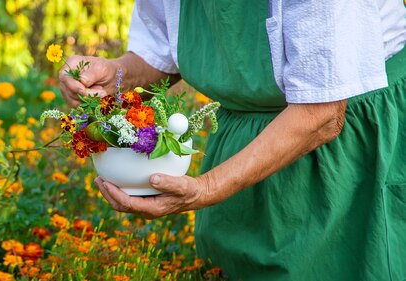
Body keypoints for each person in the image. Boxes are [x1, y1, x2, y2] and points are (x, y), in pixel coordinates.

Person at [58, 0, 406, 280]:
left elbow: (321, 114)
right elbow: (162, 51)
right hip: (242, 141)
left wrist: (206, 189)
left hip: (347, 142)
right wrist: (114, 74)